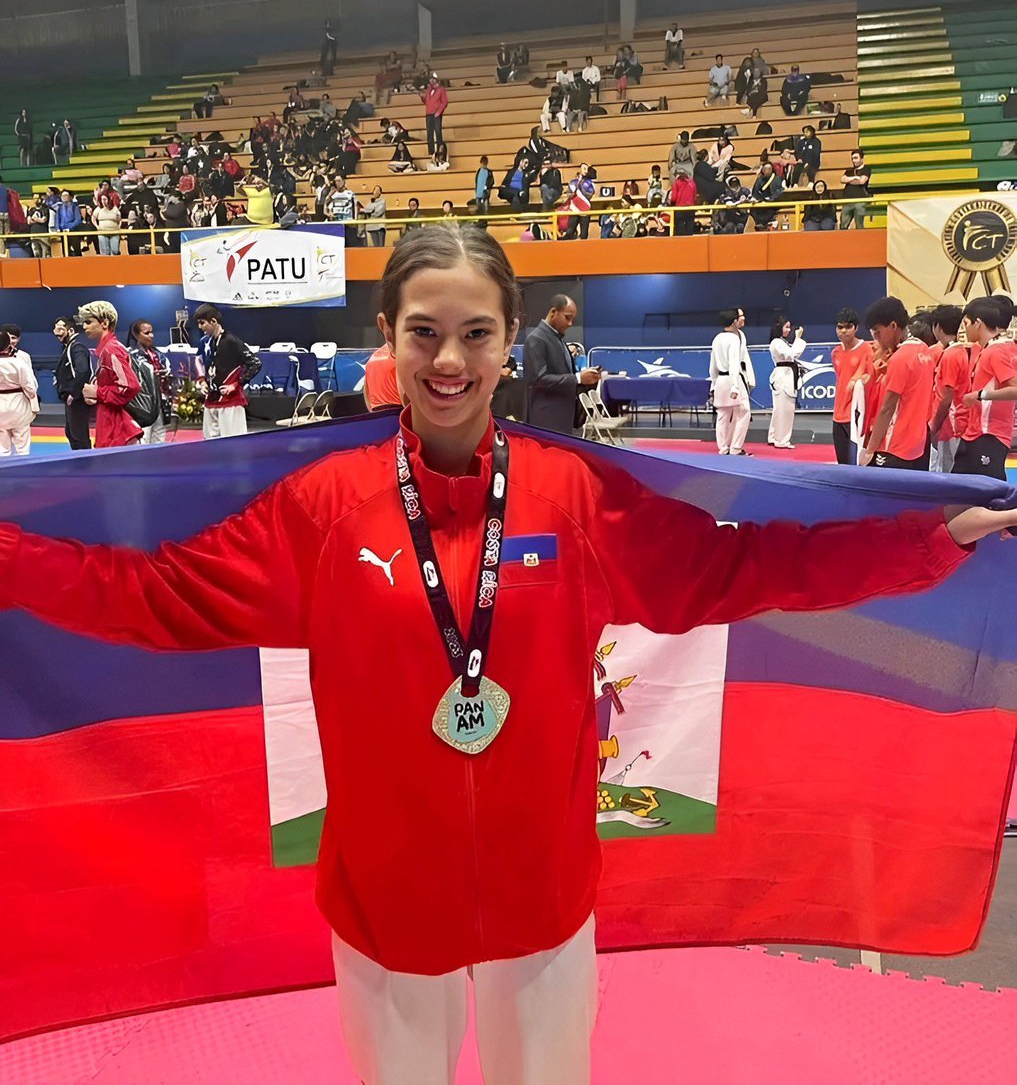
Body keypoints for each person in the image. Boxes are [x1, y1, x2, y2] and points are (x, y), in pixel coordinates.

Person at [1, 223, 1014, 1085]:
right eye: (424, 332)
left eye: (475, 333)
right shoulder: (324, 507)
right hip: (386, 896)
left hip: (542, 892)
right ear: (387, 338)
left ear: (509, 337)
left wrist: (929, 539)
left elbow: (748, 567)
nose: (449, 360)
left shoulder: (573, 497)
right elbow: (151, 595)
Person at [859, 297, 935, 470]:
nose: (876, 339)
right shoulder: (924, 350)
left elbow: (887, 408)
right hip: (918, 446)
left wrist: (870, 450)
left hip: (894, 446)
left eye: (878, 332)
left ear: (893, 326)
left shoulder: (900, 358)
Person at [954, 296, 1017, 481]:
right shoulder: (997, 348)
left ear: (978, 323)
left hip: (988, 434)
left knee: (988, 491)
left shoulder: (995, 351)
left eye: (967, 323)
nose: (965, 329)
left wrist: (980, 395)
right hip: (975, 433)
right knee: (957, 489)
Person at [523, 294, 601, 434]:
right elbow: (538, 379)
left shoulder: (557, 338)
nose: (570, 323)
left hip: (562, 415)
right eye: (567, 317)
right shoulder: (536, 338)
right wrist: (578, 378)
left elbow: (563, 373)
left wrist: (585, 377)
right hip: (546, 418)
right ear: (553, 312)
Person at [78, 301, 143, 449]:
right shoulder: (107, 349)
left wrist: (98, 392)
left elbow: (130, 387)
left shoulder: (111, 349)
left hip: (116, 427)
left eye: (88, 322)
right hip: (109, 421)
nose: (84, 327)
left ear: (105, 323)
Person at [194, 303, 261, 440]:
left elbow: (255, 364)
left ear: (213, 321)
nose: (199, 327)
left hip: (231, 402)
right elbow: (198, 361)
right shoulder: (204, 342)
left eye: (202, 323)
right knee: (210, 443)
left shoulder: (232, 341)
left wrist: (236, 384)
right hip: (211, 400)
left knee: (233, 444)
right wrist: (202, 381)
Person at [928, 304, 969, 475]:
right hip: (951, 422)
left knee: (945, 472)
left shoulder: (951, 355)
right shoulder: (957, 351)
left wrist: (934, 426)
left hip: (950, 424)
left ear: (937, 326)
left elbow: (947, 397)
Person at [830, 308, 873, 465]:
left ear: (856, 328)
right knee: (842, 463)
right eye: (840, 327)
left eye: (848, 327)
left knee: (856, 463)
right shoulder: (835, 353)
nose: (844, 331)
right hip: (838, 414)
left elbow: (869, 378)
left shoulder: (867, 349)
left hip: (856, 415)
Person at [710, 308, 755, 455]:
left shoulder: (717, 339)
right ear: (734, 321)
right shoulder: (734, 339)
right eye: (740, 317)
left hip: (720, 380)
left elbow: (712, 365)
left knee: (723, 414)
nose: (743, 318)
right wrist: (735, 386)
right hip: (733, 379)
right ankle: (735, 447)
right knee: (744, 411)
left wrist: (713, 384)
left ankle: (723, 448)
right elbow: (734, 363)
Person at [52, 316, 93, 451]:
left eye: (60, 329)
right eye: (55, 329)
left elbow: (83, 371)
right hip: (72, 398)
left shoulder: (76, 348)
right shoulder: (68, 348)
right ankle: (79, 460)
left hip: (76, 399)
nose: (56, 333)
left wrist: (73, 393)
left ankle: (86, 461)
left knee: (78, 434)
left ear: (70, 330)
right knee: (71, 432)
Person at [129, 320, 173, 445]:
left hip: (160, 402)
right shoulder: (131, 355)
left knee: (159, 437)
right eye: (146, 333)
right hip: (143, 405)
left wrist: (165, 373)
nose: (151, 335)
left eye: (151, 332)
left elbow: (168, 370)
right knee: (143, 438)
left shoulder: (159, 355)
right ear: (136, 335)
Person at [767, 319, 807, 449]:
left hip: (785, 375)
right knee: (785, 409)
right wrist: (798, 339)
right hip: (784, 376)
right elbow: (792, 354)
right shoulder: (777, 342)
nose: (789, 330)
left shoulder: (780, 342)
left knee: (780, 408)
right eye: (786, 327)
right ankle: (782, 440)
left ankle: (774, 436)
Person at [0, 328, 37, 458]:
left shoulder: (20, 360)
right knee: (22, 446)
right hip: (18, 405)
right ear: (8, 344)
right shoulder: (18, 363)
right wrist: (32, 398)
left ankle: (3, 467)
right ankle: (23, 465)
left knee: (2, 448)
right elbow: (30, 387)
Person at [363, 343, 402, 410]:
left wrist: (372, 411)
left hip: (377, 410)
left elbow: (366, 390)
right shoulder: (400, 354)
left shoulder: (372, 358)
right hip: (398, 408)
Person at [840, 150, 871, 229]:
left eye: (856, 158)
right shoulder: (849, 170)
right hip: (847, 200)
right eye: (852, 158)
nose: (854, 160)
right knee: (843, 226)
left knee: (859, 225)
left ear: (862, 158)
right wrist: (855, 177)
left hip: (860, 201)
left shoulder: (866, 169)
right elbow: (842, 180)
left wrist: (849, 180)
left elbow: (861, 181)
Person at [564, 164, 595, 240]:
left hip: (585, 208)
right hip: (574, 208)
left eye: (587, 169)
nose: (585, 171)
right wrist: (571, 192)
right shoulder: (573, 182)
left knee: (584, 233)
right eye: (584, 169)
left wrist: (580, 186)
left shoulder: (589, 183)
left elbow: (590, 194)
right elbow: (569, 194)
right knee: (570, 231)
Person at [422, 73, 448, 156]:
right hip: (428, 113)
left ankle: (440, 151)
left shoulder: (441, 89)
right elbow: (426, 101)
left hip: (436, 113)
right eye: (430, 79)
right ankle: (431, 151)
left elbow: (444, 102)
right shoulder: (428, 89)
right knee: (429, 133)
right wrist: (422, 97)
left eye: (433, 79)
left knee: (438, 132)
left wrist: (439, 112)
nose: (431, 81)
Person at [669, 169, 697, 236]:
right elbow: (695, 197)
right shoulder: (692, 183)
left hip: (680, 208)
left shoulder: (677, 183)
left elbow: (673, 198)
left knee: (680, 228)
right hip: (691, 208)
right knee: (690, 226)